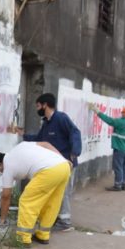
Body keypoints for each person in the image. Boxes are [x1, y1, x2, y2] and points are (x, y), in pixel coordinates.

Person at [17, 93, 81, 231]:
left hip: (66, 163)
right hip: (54, 165)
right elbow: (39, 139)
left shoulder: (61, 118)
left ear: (45, 105)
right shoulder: (46, 123)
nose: (37, 109)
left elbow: (75, 132)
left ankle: (65, 222)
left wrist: (74, 152)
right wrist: (23, 135)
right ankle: (56, 218)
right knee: (55, 193)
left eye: (38, 106)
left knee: (63, 192)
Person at [0, 142, 71, 246]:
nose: (0, 172)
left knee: (27, 201)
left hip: (48, 171)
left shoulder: (8, 166)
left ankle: (23, 238)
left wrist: (2, 219)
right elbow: (46, 144)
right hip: (64, 166)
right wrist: (62, 158)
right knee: (51, 202)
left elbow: (6, 196)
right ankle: (43, 235)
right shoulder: (21, 146)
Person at [89, 105, 125, 191]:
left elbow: (109, 120)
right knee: (124, 167)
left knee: (118, 166)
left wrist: (98, 112)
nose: (121, 113)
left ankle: (118, 185)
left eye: (122, 112)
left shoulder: (120, 122)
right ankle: (124, 184)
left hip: (119, 148)